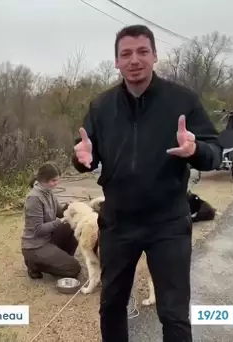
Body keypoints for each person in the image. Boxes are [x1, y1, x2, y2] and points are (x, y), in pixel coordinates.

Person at [72, 25, 222, 342]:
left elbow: (215, 154)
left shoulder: (182, 101)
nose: (134, 60)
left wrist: (196, 150)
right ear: (116, 62)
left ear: (154, 56)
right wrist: (81, 158)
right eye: (126, 54)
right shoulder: (101, 106)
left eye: (142, 52)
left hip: (167, 223)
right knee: (111, 307)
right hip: (118, 223)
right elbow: (87, 152)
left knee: (174, 314)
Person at [21, 162, 81, 280]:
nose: (56, 183)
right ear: (44, 180)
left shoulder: (48, 191)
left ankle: (59, 261)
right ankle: (34, 264)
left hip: (48, 238)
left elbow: (60, 212)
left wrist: (71, 206)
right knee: (74, 269)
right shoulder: (34, 199)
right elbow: (38, 230)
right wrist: (61, 221)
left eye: (57, 180)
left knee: (72, 225)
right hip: (36, 246)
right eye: (54, 181)